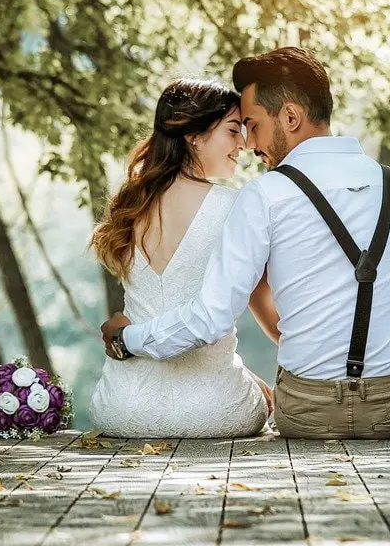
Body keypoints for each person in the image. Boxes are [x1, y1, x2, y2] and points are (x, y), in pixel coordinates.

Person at [101, 47, 390, 439]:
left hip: (304, 415)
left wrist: (128, 339)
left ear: (290, 117)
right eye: (238, 128)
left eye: (252, 124)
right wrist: (384, 319)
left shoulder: (262, 195)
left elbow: (212, 316)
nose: (249, 143)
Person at [88, 77, 273, 438]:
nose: (244, 144)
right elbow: (258, 317)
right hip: (215, 411)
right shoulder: (235, 205)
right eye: (233, 130)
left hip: (121, 409)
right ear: (193, 135)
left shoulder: (130, 204)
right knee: (263, 399)